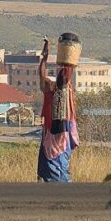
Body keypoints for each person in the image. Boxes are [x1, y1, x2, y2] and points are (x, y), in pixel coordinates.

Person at [37, 36, 79, 182]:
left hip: (60, 132)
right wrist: (45, 57)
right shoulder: (49, 92)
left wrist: (68, 64)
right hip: (51, 131)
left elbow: (64, 76)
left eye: (51, 82)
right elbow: (42, 76)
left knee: (58, 168)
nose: (48, 83)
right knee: (49, 169)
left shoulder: (63, 90)